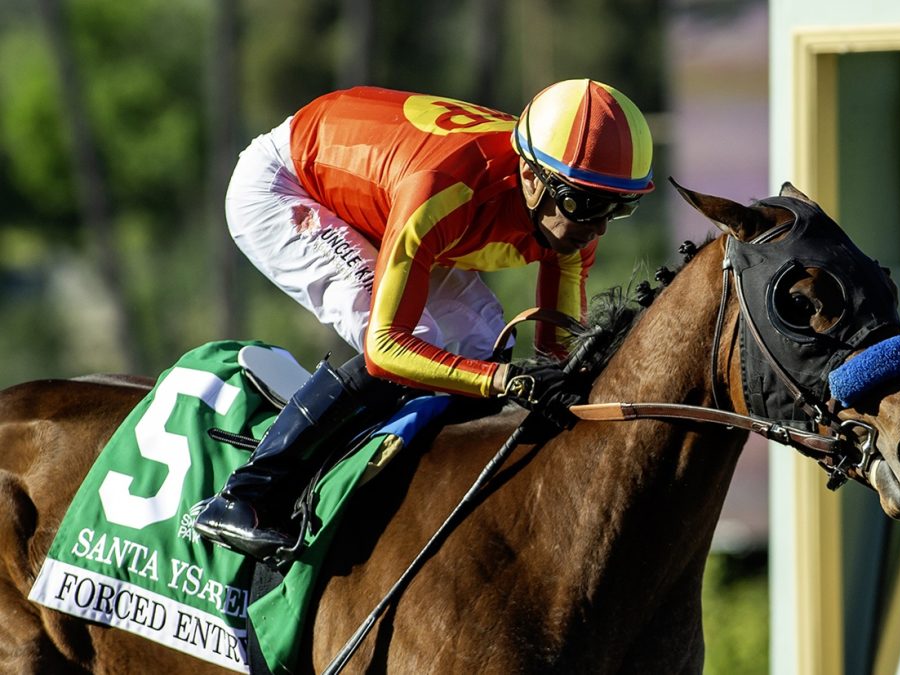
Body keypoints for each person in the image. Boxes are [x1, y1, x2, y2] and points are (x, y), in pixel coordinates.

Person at [194, 79, 655, 561]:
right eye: (585, 204)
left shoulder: (572, 206)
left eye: (617, 207)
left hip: (381, 189)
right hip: (286, 185)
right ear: (533, 177)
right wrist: (501, 379)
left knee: (478, 340)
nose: (597, 226)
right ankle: (246, 494)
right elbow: (385, 349)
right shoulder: (446, 188)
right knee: (419, 341)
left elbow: (558, 354)